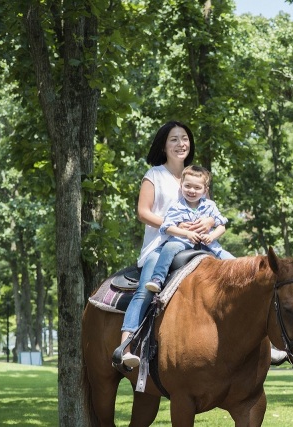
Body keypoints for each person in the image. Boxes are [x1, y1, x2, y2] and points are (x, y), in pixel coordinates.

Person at [117, 121, 216, 368]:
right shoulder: (154, 175)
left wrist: (207, 223)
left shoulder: (195, 176)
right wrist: (176, 228)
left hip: (195, 246)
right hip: (161, 247)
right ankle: (125, 345)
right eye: (174, 139)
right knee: (146, 289)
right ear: (163, 145)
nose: (180, 143)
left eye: (184, 138)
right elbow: (143, 212)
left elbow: (209, 210)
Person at [144, 165, 235, 293]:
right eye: (188, 186)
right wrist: (186, 234)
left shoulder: (210, 206)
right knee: (169, 248)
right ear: (181, 186)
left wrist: (212, 236)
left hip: (208, 243)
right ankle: (158, 278)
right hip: (182, 241)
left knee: (233, 261)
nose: (192, 190)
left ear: (205, 190)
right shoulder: (176, 206)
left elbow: (222, 226)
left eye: (197, 188)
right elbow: (167, 227)